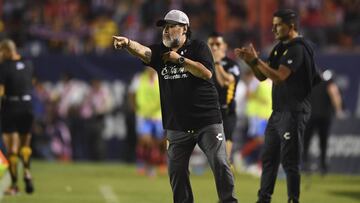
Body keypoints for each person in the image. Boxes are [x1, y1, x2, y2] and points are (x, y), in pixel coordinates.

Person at [113, 9, 238, 203]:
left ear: (185, 29)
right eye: (165, 27)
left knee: (220, 163)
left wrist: (179, 60)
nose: (166, 30)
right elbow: (144, 51)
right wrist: (128, 43)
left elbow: (206, 74)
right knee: (176, 172)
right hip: (177, 126)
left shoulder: (199, 47)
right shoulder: (160, 52)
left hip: (206, 121)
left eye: (171, 26)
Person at [235, 9, 321, 203]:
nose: (273, 28)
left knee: (290, 161)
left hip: (294, 111)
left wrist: (257, 60)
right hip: (278, 111)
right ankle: (263, 198)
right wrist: (251, 63)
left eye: (278, 25)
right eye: (273, 24)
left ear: (291, 26)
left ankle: (293, 199)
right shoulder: (279, 48)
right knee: (268, 158)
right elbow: (263, 76)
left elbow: (280, 77)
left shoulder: (298, 48)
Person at [0, 39, 35, 195]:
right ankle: (27, 172)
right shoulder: (28, 64)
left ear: (7, 51)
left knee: (11, 148)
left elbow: (1, 91)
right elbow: (30, 82)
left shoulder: (4, 67)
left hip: (11, 106)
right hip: (27, 106)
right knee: (25, 144)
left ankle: (14, 185)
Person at [303, 69, 344, 175]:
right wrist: (338, 110)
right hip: (324, 117)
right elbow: (335, 95)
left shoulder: (310, 83)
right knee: (323, 142)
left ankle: (305, 164)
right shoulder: (329, 84)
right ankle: (323, 167)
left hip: (310, 116)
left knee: (306, 141)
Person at [207, 32, 241, 160]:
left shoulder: (232, 65)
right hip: (209, 108)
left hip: (227, 108)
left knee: (226, 136)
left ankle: (225, 163)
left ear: (224, 46)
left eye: (218, 44)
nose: (214, 47)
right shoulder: (204, 63)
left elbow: (225, 82)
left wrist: (217, 64)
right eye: (211, 44)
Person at [128, 66, 166, 177]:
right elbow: (132, 93)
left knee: (160, 141)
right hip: (143, 115)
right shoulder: (139, 78)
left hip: (158, 115)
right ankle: (144, 164)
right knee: (144, 140)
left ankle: (161, 162)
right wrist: (134, 108)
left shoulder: (160, 78)